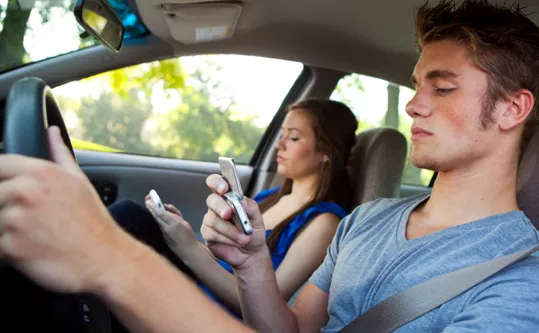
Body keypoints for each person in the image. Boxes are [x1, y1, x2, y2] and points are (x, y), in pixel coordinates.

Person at [0, 1, 539, 333]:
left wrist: (110, 258)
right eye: (416, 86)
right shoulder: (370, 220)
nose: (413, 104)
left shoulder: (533, 294)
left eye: (443, 87)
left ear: (514, 108)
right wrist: (254, 264)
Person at [108, 98, 357, 317]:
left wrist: (188, 249)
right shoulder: (268, 198)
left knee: (127, 219)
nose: (279, 145)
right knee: (132, 218)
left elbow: (268, 305)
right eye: (281, 135)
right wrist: (183, 234)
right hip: (199, 288)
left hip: (217, 315)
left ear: (326, 151)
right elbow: (223, 261)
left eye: (293, 137)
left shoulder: (324, 222)